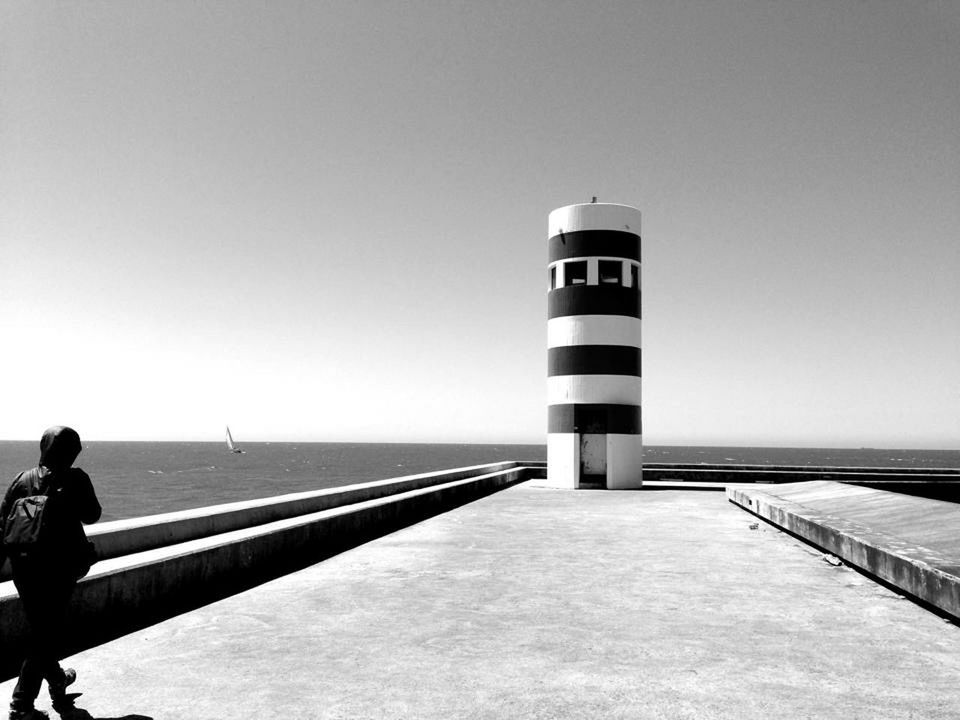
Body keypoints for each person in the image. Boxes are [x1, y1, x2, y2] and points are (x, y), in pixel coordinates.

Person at [0, 427, 101, 720]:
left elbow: (2, 521)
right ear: (72, 452)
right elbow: (92, 515)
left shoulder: (22, 479)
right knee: (44, 634)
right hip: (59, 569)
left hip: (23, 569)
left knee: (42, 630)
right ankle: (21, 706)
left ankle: (57, 680)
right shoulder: (76, 478)